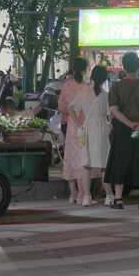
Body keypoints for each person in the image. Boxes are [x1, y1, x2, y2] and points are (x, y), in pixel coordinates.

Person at [104, 52, 139, 210]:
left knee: (120, 161)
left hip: (122, 130)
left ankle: (119, 199)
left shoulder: (116, 87)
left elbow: (114, 110)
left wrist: (129, 123)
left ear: (123, 66)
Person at [78, 65, 114, 206]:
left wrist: (79, 123)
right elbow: (110, 115)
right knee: (104, 164)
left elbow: (71, 108)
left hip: (87, 128)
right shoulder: (106, 95)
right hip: (101, 129)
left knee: (87, 165)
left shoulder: (84, 92)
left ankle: (87, 197)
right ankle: (109, 196)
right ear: (104, 78)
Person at [58, 57, 92, 205]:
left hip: (72, 125)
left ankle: (73, 193)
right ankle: (83, 193)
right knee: (82, 157)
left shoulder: (67, 85)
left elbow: (61, 107)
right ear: (85, 69)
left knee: (71, 157)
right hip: (85, 124)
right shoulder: (87, 86)